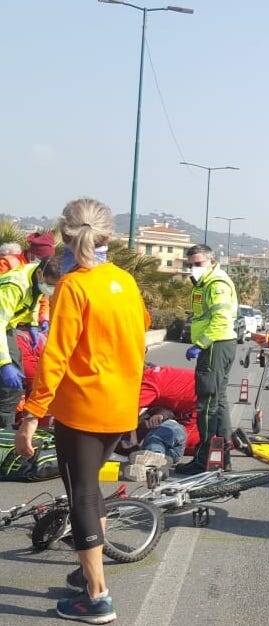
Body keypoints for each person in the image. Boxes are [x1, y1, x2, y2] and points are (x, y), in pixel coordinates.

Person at [16, 198, 148, 624]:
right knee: (91, 492)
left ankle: (97, 597)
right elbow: (140, 327)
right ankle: (86, 570)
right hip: (121, 408)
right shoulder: (124, 280)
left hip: (83, 410)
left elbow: (54, 357)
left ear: (64, 236)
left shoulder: (75, 285)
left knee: (83, 498)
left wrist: (32, 414)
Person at [176, 244, 238, 475]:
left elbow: (221, 319)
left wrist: (200, 344)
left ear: (211, 261)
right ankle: (222, 457)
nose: (194, 268)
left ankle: (204, 460)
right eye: (190, 264)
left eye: (198, 264)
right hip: (218, 344)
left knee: (207, 405)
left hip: (215, 345)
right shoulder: (206, 282)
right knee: (218, 402)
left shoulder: (216, 284)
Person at [0, 254, 61, 429]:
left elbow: (33, 301)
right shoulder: (14, 285)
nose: (51, 289)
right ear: (41, 273)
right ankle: (4, 432)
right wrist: (4, 364)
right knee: (9, 386)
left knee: (13, 384)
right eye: (50, 284)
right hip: (2, 325)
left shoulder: (35, 278)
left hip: (7, 326)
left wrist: (33, 324)